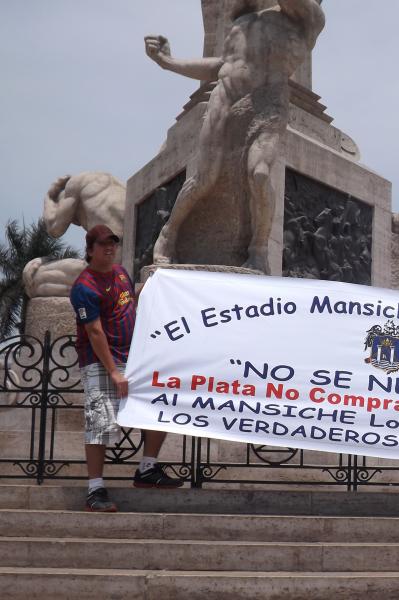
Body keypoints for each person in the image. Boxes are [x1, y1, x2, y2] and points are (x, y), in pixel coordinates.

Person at [144, 0, 325, 273]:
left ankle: (258, 249)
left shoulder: (310, 17)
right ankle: (168, 235)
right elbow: (223, 66)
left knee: (260, 173)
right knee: (204, 178)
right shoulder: (243, 21)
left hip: (268, 102)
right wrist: (168, 62)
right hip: (225, 99)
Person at [70, 225, 182, 512]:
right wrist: (114, 372)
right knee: (101, 423)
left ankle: (147, 469)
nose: (109, 248)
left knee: (162, 405)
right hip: (102, 362)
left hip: (135, 357)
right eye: (103, 244)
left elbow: (129, 301)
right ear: (90, 249)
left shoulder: (120, 273)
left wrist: (159, 286)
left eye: (113, 244)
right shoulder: (84, 286)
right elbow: (94, 332)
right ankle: (95, 489)